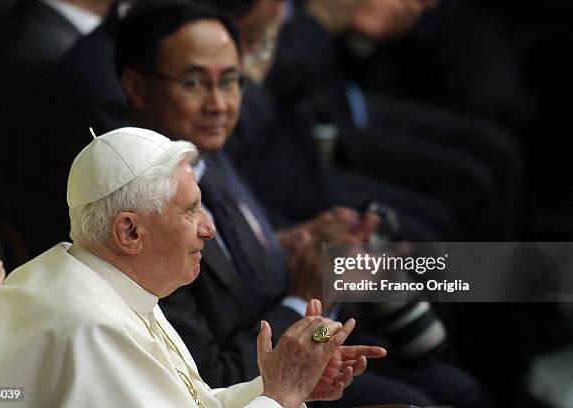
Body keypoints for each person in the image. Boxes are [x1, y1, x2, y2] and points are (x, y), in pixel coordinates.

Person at [116, 2, 486, 407]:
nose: (218, 104)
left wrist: (301, 240)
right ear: (137, 87)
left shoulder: (207, 152)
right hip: (262, 386)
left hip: (312, 338)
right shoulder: (146, 213)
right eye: (193, 84)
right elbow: (206, 379)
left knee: (453, 383)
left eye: (231, 81)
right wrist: (304, 300)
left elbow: (271, 275)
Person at [0, 127, 384, 408]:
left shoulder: (106, 281)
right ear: (130, 232)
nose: (208, 229)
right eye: (191, 211)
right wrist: (280, 396)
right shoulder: (93, 329)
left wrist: (283, 384)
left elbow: (193, 401)